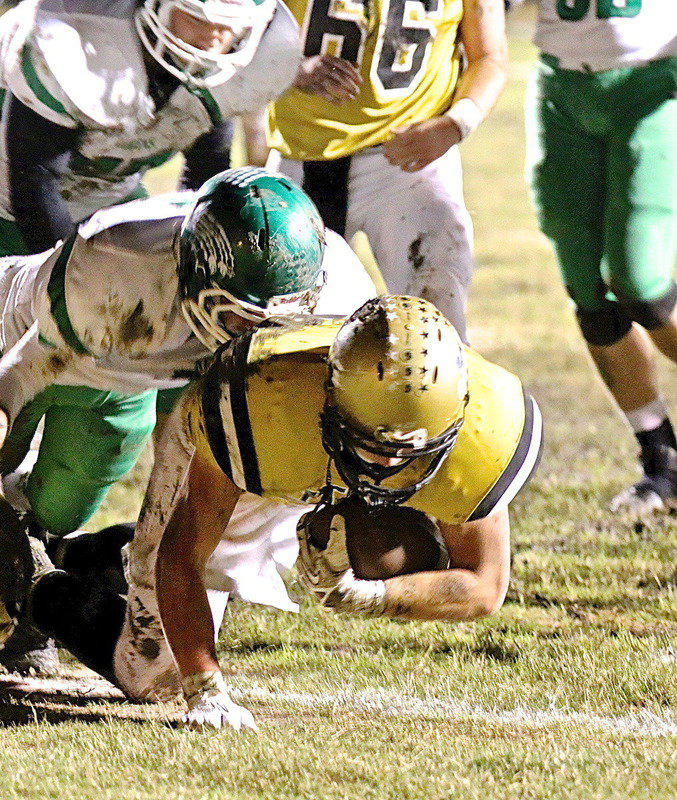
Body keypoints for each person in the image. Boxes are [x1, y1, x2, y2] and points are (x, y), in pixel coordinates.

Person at [26, 295, 542, 730]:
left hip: (315, 438)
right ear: (331, 400)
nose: (389, 463)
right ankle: (31, 575)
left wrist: (370, 595)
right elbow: (182, 555)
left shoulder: (485, 431)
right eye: (374, 445)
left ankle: (89, 553)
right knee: (152, 671)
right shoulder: (257, 407)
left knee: (383, 556)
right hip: (271, 443)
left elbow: (485, 584)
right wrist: (204, 688)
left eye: (410, 452)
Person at [0, 167, 377, 672]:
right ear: (196, 281)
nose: (261, 339)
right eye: (244, 319)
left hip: (171, 381)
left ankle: (64, 561)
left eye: (282, 322)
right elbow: (16, 380)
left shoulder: (340, 301)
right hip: (57, 349)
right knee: (41, 491)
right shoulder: (114, 279)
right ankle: (25, 586)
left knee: (156, 668)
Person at [264, 0, 508, 341]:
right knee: (286, 340)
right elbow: (233, 34)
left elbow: (489, 55)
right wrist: (291, 68)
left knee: (438, 332)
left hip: (410, 161)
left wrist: (455, 124)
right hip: (303, 156)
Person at [523, 0, 676, 514]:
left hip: (652, 80)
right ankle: (662, 460)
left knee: (641, 284)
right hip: (561, 90)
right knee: (589, 293)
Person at [0, 0, 301, 256]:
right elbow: (34, 179)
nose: (212, 38)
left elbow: (206, 173)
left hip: (107, 197)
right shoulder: (79, 35)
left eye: (230, 26)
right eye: (196, 17)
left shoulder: (248, 62)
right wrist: (67, 275)